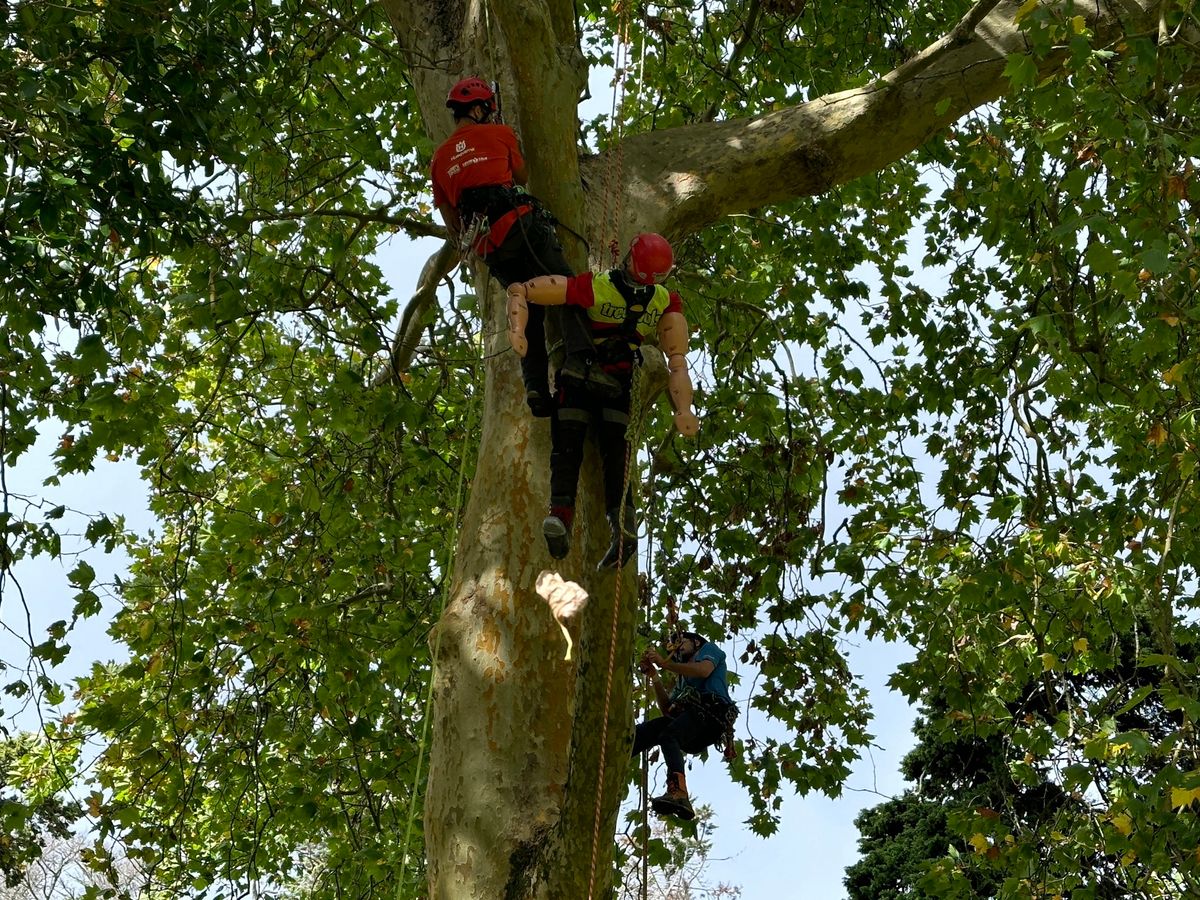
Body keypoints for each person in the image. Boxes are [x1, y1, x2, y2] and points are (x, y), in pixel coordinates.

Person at [504, 233, 700, 568]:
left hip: (580, 377)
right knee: (616, 456)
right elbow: (677, 359)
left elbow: (540, 290)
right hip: (619, 385)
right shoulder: (665, 300)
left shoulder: (596, 286)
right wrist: (684, 409)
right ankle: (622, 523)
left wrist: (518, 314)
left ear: (630, 259)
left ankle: (561, 514)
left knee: (567, 446)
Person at [430, 76, 618, 417]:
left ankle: (534, 386)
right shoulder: (499, 134)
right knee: (568, 286)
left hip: (489, 245)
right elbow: (521, 176)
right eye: (486, 110)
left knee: (525, 302)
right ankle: (581, 362)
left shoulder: (439, 160)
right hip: (518, 223)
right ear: (477, 109)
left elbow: (452, 223)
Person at [633, 631, 736, 821]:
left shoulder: (708, 649)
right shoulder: (682, 680)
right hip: (692, 726)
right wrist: (655, 676)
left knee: (668, 735)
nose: (677, 648)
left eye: (680, 642)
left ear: (696, 641)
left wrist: (665, 664)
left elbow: (704, 670)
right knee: (652, 730)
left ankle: (679, 792)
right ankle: (620, 749)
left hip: (711, 715)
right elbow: (668, 710)